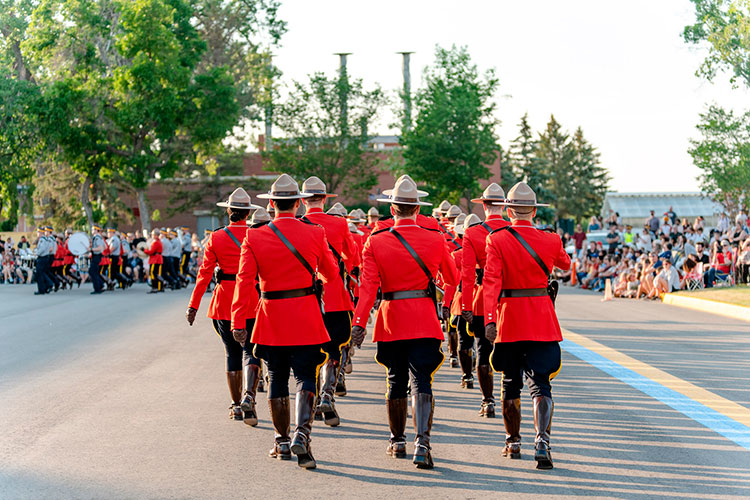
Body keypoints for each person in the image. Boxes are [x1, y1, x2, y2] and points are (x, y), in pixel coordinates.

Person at [230, 174, 339, 469]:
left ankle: (281, 441)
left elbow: (244, 281)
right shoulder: (315, 232)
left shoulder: (254, 236)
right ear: (298, 202)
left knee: (277, 377)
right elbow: (330, 275)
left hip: (271, 316)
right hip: (305, 313)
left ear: (272, 203)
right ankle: (302, 435)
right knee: (306, 375)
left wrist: (238, 318)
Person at [350, 176, 458, 470]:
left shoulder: (376, 241)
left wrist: (359, 323)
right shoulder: (436, 238)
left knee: (395, 380)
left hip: (391, 317)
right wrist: (442, 297)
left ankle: (397, 441)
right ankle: (422, 443)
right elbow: (453, 278)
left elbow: (368, 288)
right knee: (422, 380)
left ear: (392, 209)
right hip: (423, 315)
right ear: (416, 208)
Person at [482, 182, 571, 470]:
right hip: (541, 319)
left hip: (510, 319)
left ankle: (513, 442)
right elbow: (566, 266)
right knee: (541, 383)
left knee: (510, 382)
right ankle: (542, 441)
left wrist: (490, 319)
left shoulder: (496, 240)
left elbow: (491, 283)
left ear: (509, 212)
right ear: (533, 210)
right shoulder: (551, 240)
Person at [186, 188, 264, 424]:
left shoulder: (216, 238)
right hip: (252, 300)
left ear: (229, 211)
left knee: (232, 354)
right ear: (248, 213)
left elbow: (204, 275)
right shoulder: (257, 235)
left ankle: (236, 405)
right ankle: (249, 398)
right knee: (252, 351)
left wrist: (193, 306)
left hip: (224, 304)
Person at [300, 176, 361, 426]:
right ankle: (327, 394)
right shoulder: (339, 224)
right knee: (334, 349)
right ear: (324, 199)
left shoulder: (296, 224)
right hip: (335, 294)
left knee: (311, 352)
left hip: (305, 297)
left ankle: (314, 401)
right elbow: (352, 257)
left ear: (303, 201)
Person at [460, 183, 510, 418]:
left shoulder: (473, 232)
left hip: (483, 297)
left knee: (483, 350)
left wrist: (465, 306)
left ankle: (487, 400)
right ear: (504, 206)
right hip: (510, 299)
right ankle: (509, 396)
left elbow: (467, 274)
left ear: (484, 206)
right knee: (511, 351)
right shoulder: (515, 230)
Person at [143, 229, 164, 293]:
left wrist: (145, 250)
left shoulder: (156, 242)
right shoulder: (158, 241)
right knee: (155, 273)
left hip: (155, 259)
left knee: (152, 273)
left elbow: (151, 251)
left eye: (152, 234)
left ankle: (154, 287)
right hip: (156, 258)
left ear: (155, 235)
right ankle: (160, 285)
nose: (151, 235)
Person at [88, 224, 106, 294]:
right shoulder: (99, 237)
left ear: (96, 230)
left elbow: (100, 247)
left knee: (92, 272)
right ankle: (100, 285)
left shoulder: (97, 238)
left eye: (93, 229)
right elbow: (104, 247)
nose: (92, 231)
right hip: (97, 256)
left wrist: (91, 249)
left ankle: (97, 288)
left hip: (96, 255)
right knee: (94, 272)